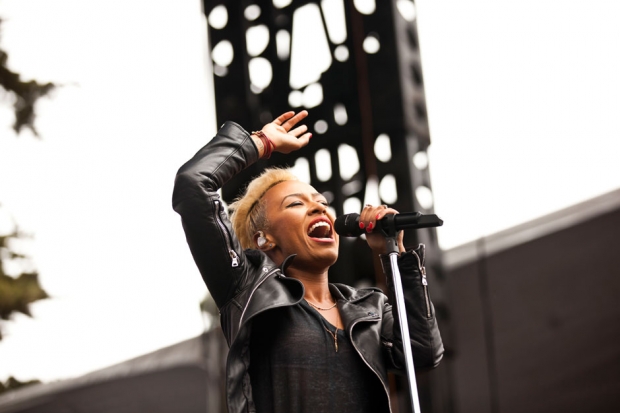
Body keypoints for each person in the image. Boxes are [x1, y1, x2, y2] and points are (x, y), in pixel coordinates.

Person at [172, 110, 443, 413]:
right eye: (296, 204)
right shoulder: (247, 289)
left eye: (323, 203)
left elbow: (424, 352)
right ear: (264, 239)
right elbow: (192, 185)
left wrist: (395, 252)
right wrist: (260, 142)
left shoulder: (370, 308)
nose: (319, 209)